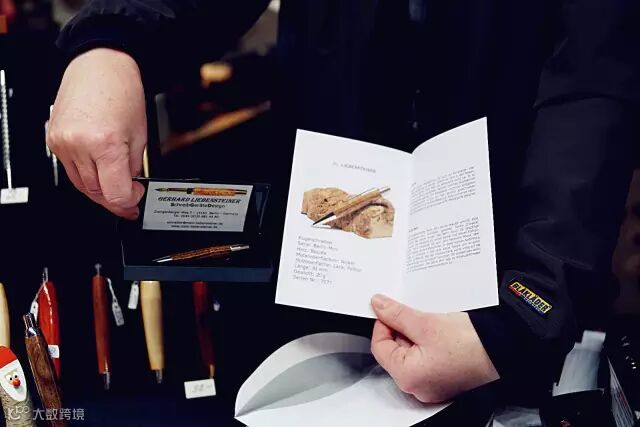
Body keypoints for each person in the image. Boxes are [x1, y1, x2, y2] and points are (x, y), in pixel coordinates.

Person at [46, 0, 638, 407]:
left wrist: (527, 308)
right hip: (317, 290)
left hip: (500, 290)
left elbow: (594, 77)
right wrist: (111, 43)